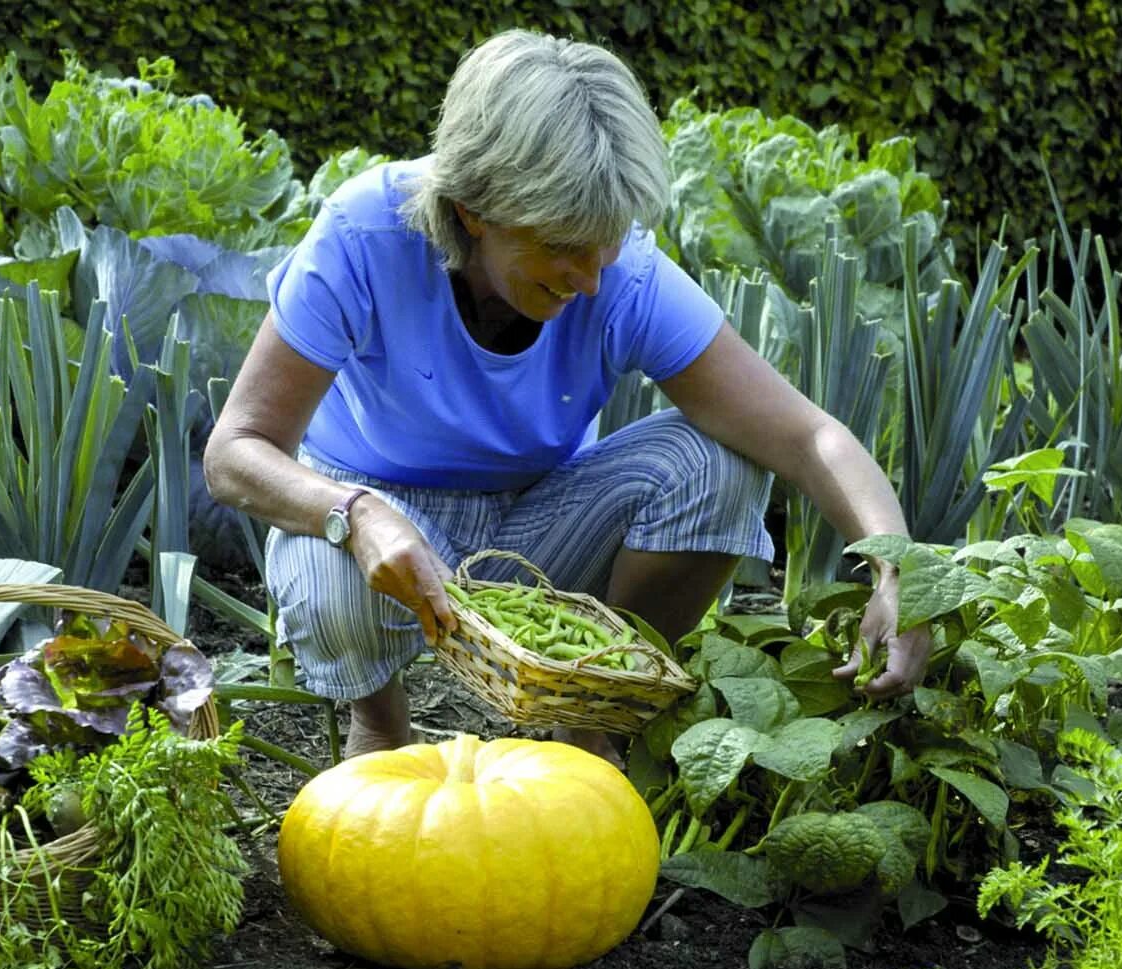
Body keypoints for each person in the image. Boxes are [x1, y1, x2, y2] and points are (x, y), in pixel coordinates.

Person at [203, 28, 929, 761]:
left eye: (604, 243)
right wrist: (354, 515)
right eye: (560, 245)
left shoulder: (623, 276)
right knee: (329, 561)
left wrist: (900, 572)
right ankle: (381, 722)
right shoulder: (363, 235)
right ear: (471, 209)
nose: (589, 279)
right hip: (377, 517)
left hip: (541, 524)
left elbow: (806, 438)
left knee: (719, 465)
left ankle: (588, 719)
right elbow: (235, 452)